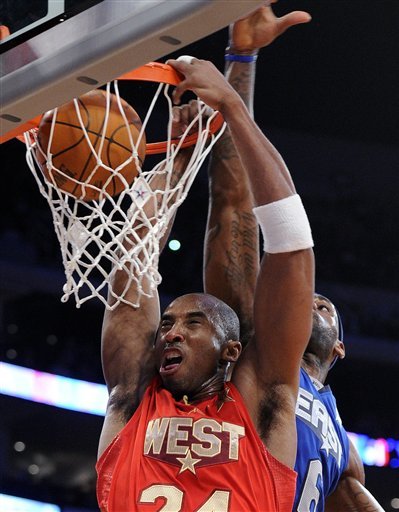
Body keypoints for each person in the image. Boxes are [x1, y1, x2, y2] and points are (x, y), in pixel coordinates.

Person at [95, 51, 315, 511]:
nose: (170, 330)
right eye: (168, 323)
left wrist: (233, 107)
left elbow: (291, 244)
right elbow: (133, 265)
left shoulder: (264, 398)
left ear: (231, 351)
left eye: (193, 323)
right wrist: (175, 165)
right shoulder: (133, 396)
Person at [203, 4, 384, 511]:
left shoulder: (344, 450)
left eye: (324, 306)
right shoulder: (251, 348)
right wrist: (242, 59)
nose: (312, 298)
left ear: (339, 350)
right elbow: (233, 203)